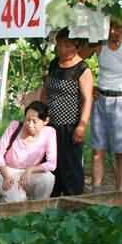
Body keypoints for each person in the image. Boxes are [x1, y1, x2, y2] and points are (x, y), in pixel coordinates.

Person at [42, 28, 93, 196]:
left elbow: (87, 100)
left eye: (67, 45)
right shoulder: (54, 64)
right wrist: (41, 115)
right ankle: (53, 199)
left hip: (70, 126)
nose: (62, 49)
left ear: (77, 47)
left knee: (70, 164)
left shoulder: (82, 69)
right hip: (50, 124)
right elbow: (46, 90)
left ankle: (74, 202)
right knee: (51, 163)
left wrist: (81, 126)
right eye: (59, 45)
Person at [80, 21, 122, 191]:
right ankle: (97, 192)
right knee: (97, 150)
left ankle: (121, 194)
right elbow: (78, 56)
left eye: (118, 27)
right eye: (110, 27)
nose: (113, 31)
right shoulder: (99, 42)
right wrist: (89, 85)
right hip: (101, 99)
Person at [0, 101, 57, 202]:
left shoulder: (49, 132)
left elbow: (52, 164)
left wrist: (30, 170)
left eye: (34, 121)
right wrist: (6, 176)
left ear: (45, 121)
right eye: (27, 120)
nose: (30, 125)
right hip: (7, 172)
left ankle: (38, 210)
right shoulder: (14, 126)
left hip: (30, 173)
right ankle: (6, 208)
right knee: (18, 199)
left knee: (48, 178)